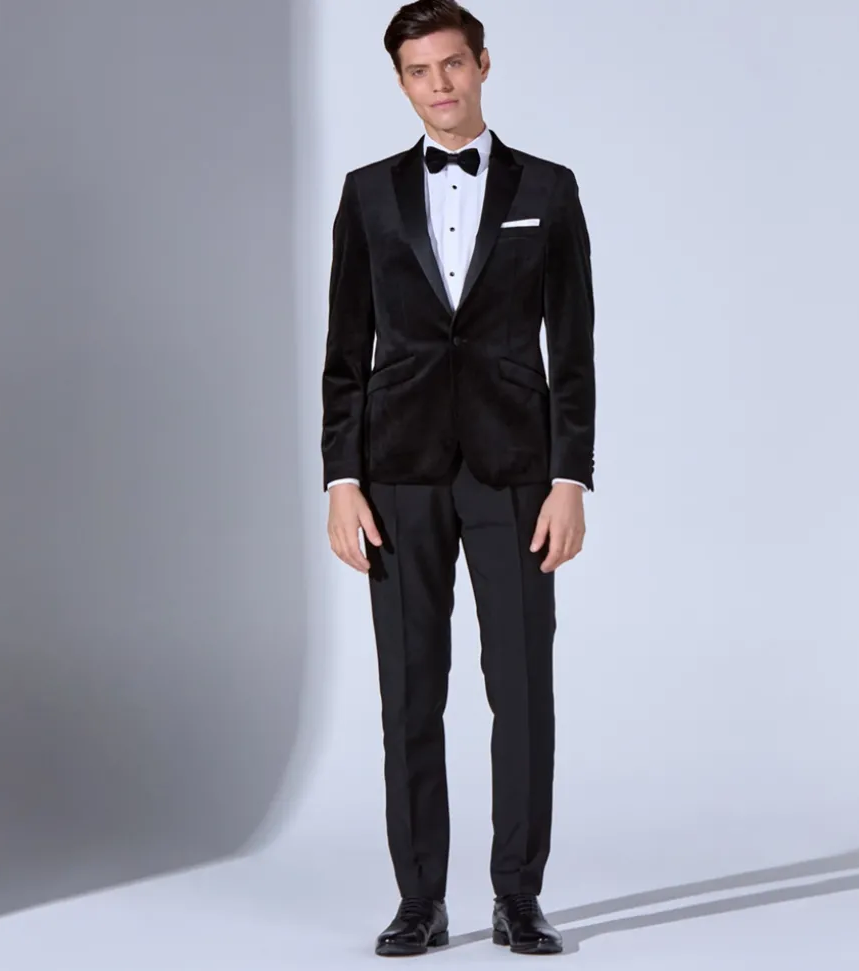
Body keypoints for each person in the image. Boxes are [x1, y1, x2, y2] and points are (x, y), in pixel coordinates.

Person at [321, 0, 595, 957]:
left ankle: (518, 895)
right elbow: (344, 350)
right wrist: (340, 479)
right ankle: (420, 900)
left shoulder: (547, 189)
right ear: (401, 82)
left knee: (521, 689)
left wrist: (570, 476)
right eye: (418, 70)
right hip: (395, 474)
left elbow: (575, 345)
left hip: (516, 472)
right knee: (409, 694)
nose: (438, 84)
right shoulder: (367, 194)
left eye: (451, 64)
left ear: (482, 64)